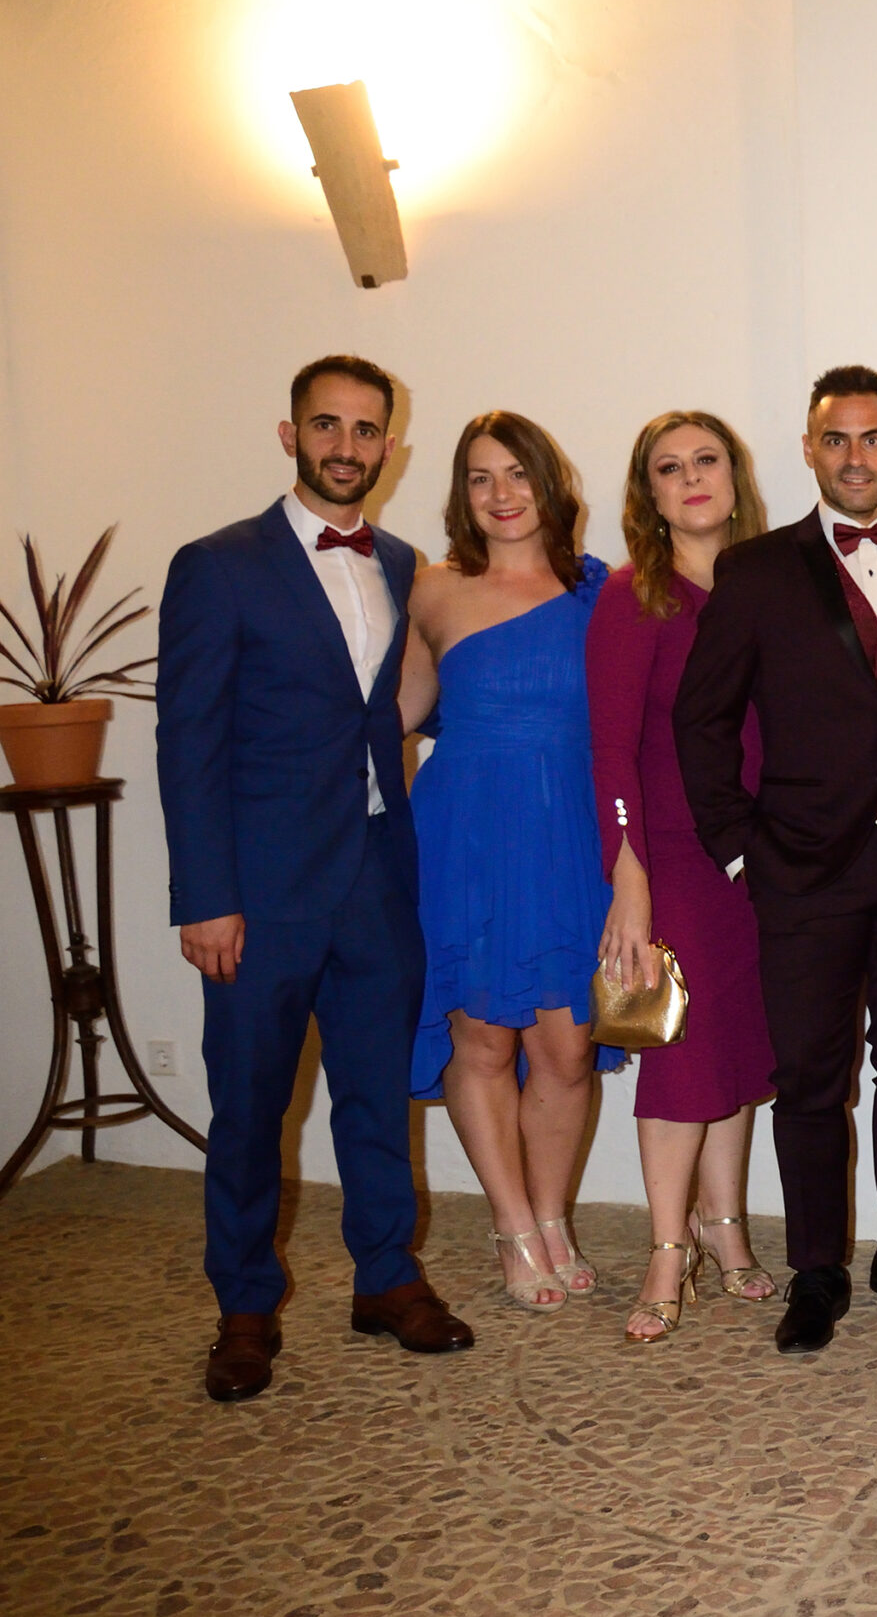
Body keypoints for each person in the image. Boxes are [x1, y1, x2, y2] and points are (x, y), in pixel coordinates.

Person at [158, 355, 474, 1402]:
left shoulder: (401, 563)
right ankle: (245, 1306)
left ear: (391, 445)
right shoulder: (218, 565)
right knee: (252, 1109)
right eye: (327, 425)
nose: (347, 446)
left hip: (377, 879)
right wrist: (206, 896)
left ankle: (386, 1277)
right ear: (291, 435)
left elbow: (395, 706)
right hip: (260, 892)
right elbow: (188, 743)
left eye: (366, 429)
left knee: (378, 1098)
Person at [674, 366, 877, 1355]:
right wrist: (739, 855)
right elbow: (701, 721)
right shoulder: (756, 572)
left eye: (872, 437)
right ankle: (816, 1269)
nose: (856, 457)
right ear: (809, 450)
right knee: (810, 1078)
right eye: (836, 439)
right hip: (799, 870)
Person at [399, 411, 622, 1314]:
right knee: (483, 1038)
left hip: (568, 831)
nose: (501, 494)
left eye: (518, 473)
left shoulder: (599, 591)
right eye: (481, 477)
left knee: (567, 1047)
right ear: (463, 493)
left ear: (550, 483)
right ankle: (514, 1225)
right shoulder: (432, 590)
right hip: (465, 835)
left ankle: (552, 1213)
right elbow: (397, 716)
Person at [588, 410, 779, 1343]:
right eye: (670, 468)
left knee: (738, 1049)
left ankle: (726, 1229)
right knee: (680, 1057)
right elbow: (611, 748)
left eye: (707, 460)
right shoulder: (635, 597)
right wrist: (629, 880)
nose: (693, 478)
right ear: (650, 494)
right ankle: (669, 1250)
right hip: (668, 858)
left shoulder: (768, 586)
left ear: (735, 478)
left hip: (758, 854)